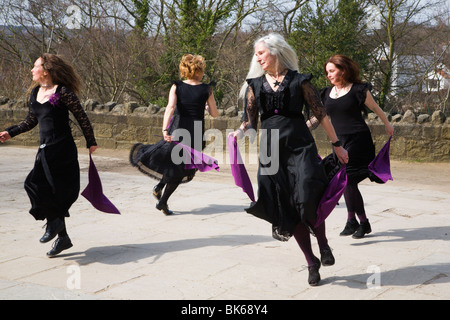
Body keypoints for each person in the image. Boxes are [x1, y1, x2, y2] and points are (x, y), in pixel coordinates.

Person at [229, 34, 348, 286]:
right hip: (270, 151)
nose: (258, 58)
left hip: (300, 146)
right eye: (257, 54)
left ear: (275, 51)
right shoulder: (254, 85)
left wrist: (336, 144)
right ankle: (311, 261)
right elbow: (250, 122)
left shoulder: (299, 81)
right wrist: (238, 134)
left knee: (307, 196)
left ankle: (323, 242)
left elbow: (321, 114)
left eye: (261, 52)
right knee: (285, 206)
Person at [0, 53, 98, 257]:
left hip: (62, 149)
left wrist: (91, 142)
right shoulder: (36, 92)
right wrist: (11, 132)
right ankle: (62, 236)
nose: (31, 70)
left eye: (34, 66)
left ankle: (55, 226)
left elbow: (82, 117)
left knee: (52, 189)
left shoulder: (62, 92)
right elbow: (30, 121)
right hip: (45, 149)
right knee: (35, 186)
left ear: (45, 71)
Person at [130, 54, 218, 215]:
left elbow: (170, 108)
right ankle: (162, 202)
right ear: (199, 70)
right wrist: (205, 107)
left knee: (173, 164)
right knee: (182, 168)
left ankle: (159, 187)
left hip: (177, 129)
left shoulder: (177, 86)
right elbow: (215, 113)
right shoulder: (207, 89)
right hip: (195, 132)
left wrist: (164, 130)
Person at [321, 54, 394, 239]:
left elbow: (376, 109)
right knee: (344, 181)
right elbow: (318, 117)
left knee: (349, 179)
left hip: (358, 141)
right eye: (327, 72)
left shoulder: (359, 90)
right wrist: (301, 128)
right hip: (338, 143)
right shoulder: (327, 93)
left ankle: (363, 222)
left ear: (343, 70)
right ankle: (351, 220)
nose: (328, 75)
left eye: (332, 71)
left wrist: (387, 124)